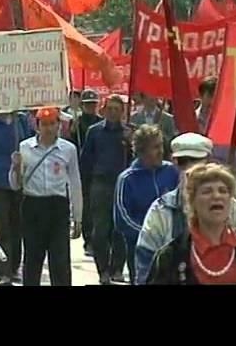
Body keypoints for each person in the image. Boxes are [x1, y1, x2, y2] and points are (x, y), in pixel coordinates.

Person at [134, 132, 236, 285]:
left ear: (208, 160)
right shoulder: (161, 209)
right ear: (174, 162)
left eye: (197, 160)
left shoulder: (232, 207)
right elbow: (145, 261)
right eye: (183, 161)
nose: (190, 167)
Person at [147, 163, 236, 285]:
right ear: (193, 202)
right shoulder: (171, 256)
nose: (216, 196)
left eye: (223, 191)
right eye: (207, 191)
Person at [10, 107, 83, 286]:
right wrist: (15, 167)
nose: (49, 129)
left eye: (53, 124)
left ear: (59, 125)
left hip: (57, 207)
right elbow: (15, 184)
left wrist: (79, 217)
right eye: (44, 124)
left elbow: (75, 183)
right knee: (32, 260)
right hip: (33, 206)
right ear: (37, 126)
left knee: (60, 261)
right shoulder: (24, 147)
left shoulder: (68, 149)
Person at [114, 125, 179, 284]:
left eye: (161, 145)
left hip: (172, 248)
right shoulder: (127, 179)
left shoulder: (172, 172)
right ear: (142, 150)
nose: (161, 151)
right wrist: (148, 236)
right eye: (155, 147)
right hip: (141, 250)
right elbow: (122, 219)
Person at [80, 94, 133, 284]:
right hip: (100, 185)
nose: (112, 113)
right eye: (109, 109)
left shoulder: (129, 133)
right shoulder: (94, 132)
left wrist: (130, 144)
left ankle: (117, 268)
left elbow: (135, 161)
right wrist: (86, 187)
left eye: (117, 110)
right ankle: (102, 269)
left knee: (120, 229)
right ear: (103, 110)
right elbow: (86, 159)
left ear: (123, 112)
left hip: (122, 185)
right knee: (100, 231)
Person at [0, 111, 34, 286]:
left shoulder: (22, 122)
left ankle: (14, 266)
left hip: (20, 182)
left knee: (17, 226)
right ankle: (3, 272)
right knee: (1, 227)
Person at [195, 76, 236, 228]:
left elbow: (235, 152)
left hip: (228, 173)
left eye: (216, 96)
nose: (213, 100)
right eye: (210, 95)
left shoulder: (228, 120)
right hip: (203, 176)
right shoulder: (192, 120)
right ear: (202, 96)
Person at [67, 89, 103, 257]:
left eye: (93, 104)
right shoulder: (77, 123)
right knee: (87, 205)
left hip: (98, 168)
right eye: (88, 105)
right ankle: (88, 239)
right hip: (82, 169)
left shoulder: (101, 123)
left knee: (98, 207)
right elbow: (70, 145)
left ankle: (98, 239)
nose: (91, 107)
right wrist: (73, 132)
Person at [130, 93, 177, 160]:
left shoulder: (167, 118)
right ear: (143, 99)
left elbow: (172, 140)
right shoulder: (134, 118)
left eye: (154, 97)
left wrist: (161, 134)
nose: (151, 100)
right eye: (148, 97)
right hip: (140, 158)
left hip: (161, 158)